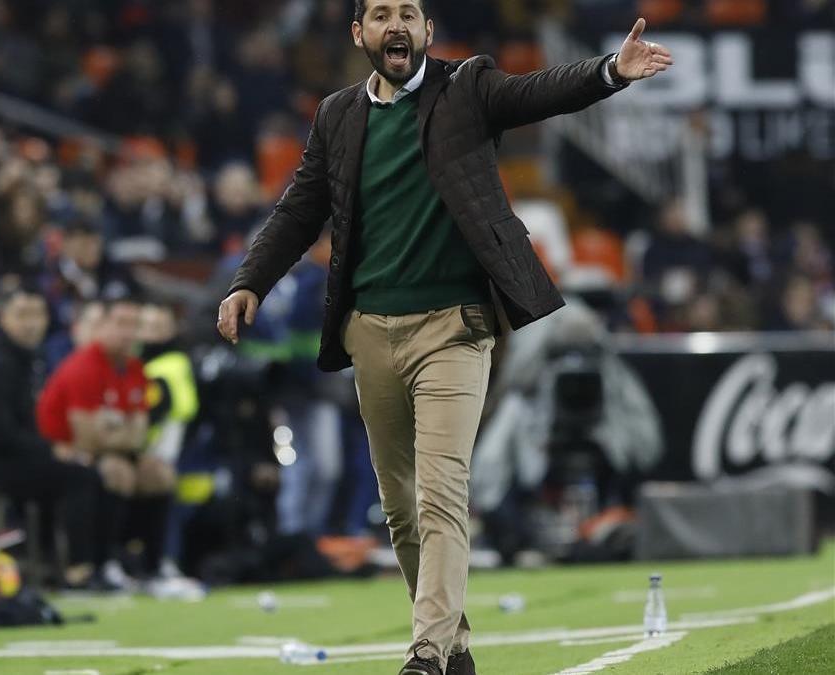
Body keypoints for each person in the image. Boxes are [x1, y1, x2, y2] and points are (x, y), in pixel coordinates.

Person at [216, 4, 673, 673]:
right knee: (399, 509)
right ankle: (455, 646)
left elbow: (538, 91)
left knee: (441, 491)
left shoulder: (466, 89)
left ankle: (425, 652)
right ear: (359, 34)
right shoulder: (337, 114)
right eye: (380, 14)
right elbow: (298, 209)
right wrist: (248, 280)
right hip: (369, 331)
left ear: (427, 31)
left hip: (454, 328)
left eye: (408, 13)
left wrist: (609, 72)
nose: (395, 25)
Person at [0, 289, 108, 588]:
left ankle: (55, 567)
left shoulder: (23, 358)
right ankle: (79, 570)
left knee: (71, 473)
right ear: (3, 318)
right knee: (79, 477)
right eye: (22, 315)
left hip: (14, 457)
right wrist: (51, 450)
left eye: (37, 315)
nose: (31, 324)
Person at [37, 296, 176, 587]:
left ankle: (152, 566)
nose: (128, 332)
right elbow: (87, 437)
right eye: (121, 323)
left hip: (111, 451)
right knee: (116, 472)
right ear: (102, 325)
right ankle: (103, 563)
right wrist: (119, 431)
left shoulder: (135, 368)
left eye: (134, 325)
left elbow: (140, 430)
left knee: (160, 473)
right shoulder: (83, 366)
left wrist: (114, 430)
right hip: (60, 452)